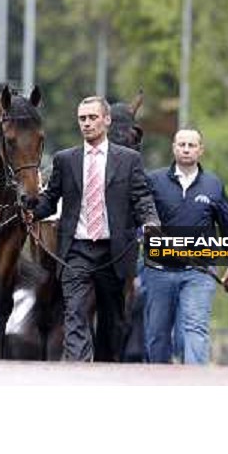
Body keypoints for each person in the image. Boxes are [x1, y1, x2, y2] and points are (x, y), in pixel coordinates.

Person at [29, 95, 160, 362]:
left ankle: (105, 373)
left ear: (107, 120)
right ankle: (79, 373)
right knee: (75, 314)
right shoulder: (65, 160)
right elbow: (50, 201)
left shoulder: (129, 159)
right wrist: (29, 209)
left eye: (92, 118)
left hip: (115, 252)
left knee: (113, 325)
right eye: (82, 119)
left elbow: (142, 198)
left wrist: (151, 223)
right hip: (77, 250)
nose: (87, 124)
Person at [144, 126, 228, 364]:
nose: (186, 149)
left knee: (195, 329)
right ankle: (155, 384)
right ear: (174, 148)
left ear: (200, 150)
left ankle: (195, 385)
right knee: (157, 336)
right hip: (158, 271)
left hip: (200, 272)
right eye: (182, 144)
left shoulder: (214, 185)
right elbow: (138, 216)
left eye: (191, 145)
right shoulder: (153, 181)